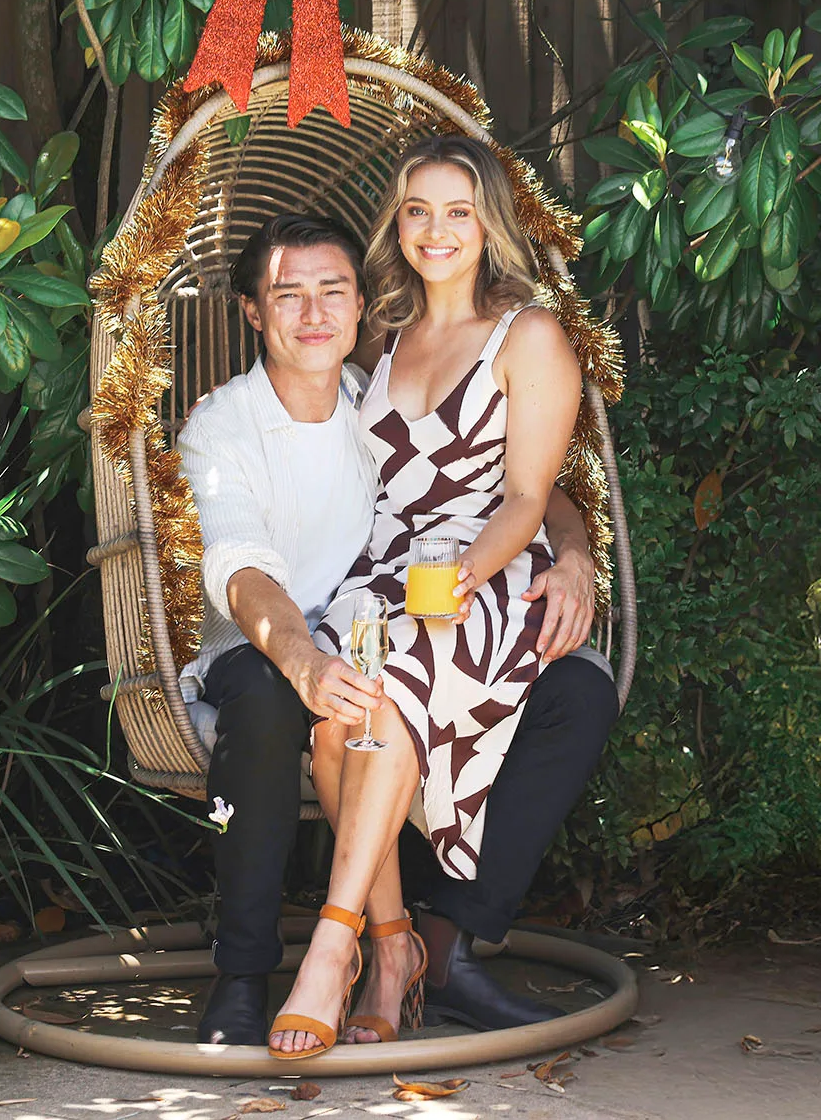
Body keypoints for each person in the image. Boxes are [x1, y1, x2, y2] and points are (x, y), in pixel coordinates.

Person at [178, 209, 610, 1051]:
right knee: (273, 700)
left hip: (384, 628)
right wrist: (302, 661)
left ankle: (439, 945)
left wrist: (574, 547)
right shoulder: (220, 425)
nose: (313, 314)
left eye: (332, 292)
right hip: (263, 644)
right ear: (253, 313)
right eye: (287, 295)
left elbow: (508, 479)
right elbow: (243, 573)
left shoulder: (371, 401)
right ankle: (244, 974)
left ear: (360, 301)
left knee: (579, 690)